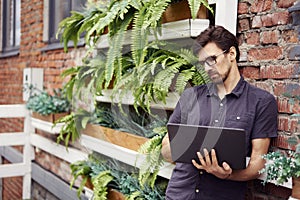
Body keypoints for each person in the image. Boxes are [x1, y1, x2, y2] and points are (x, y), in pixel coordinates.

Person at [161, 25, 278, 199]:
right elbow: (165, 150)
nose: (208, 68)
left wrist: (227, 175)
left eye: (212, 59)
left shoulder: (261, 102)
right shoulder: (190, 96)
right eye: (203, 63)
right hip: (179, 194)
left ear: (231, 54)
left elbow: (257, 164)